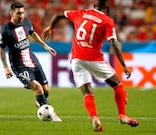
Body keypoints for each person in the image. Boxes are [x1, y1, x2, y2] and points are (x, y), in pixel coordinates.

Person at [42, 0, 139, 131]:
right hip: (94, 58)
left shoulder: (81, 13)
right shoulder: (107, 21)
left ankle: (94, 118)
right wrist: (124, 64)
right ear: (107, 8)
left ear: (94, 5)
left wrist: (50, 27)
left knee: (87, 92)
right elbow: (114, 43)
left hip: (76, 58)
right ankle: (122, 115)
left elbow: (59, 14)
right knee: (117, 84)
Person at [0, 1, 61, 122]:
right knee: (38, 88)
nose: (21, 16)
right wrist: (5, 67)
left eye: (22, 13)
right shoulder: (5, 31)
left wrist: (46, 46)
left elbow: (33, 33)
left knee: (46, 89)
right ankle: (52, 115)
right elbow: (0, 49)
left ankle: (39, 101)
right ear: (11, 13)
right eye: (18, 13)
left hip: (32, 60)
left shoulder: (26, 22)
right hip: (19, 66)